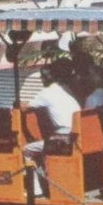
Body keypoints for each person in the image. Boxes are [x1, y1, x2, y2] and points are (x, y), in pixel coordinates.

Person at [25, 60, 81, 195]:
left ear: (45, 78)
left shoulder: (45, 93)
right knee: (44, 145)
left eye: (42, 77)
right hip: (78, 135)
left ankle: (36, 191)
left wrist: (15, 104)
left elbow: (25, 107)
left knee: (26, 150)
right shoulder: (66, 88)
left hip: (63, 139)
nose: (41, 79)